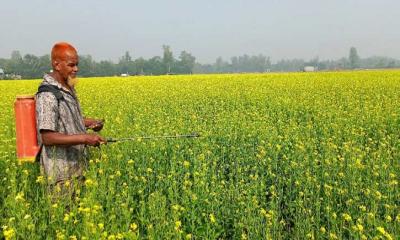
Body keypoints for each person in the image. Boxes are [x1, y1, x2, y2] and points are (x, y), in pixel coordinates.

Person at [35, 42, 105, 192]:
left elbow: (65, 119)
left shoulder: (67, 87)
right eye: (71, 65)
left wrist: (89, 123)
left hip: (78, 170)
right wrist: (85, 138)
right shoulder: (47, 95)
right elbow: (48, 137)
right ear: (57, 64)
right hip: (61, 176)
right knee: (64, 214)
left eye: (76, 65)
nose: (76, 69)